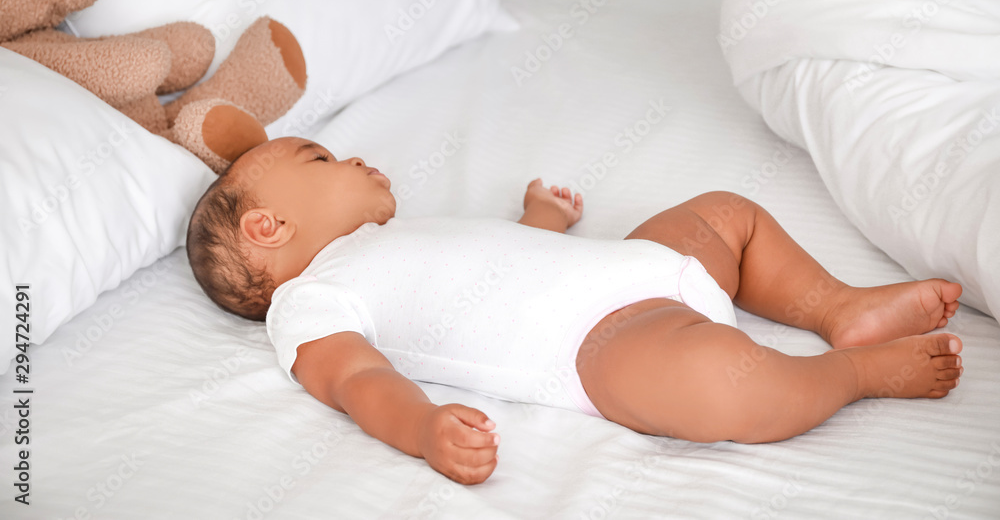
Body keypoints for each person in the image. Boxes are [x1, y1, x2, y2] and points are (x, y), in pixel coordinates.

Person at [186, 136, 963, 485]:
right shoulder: (310, 299)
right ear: (268, 228)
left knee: (727, 212)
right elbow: (355, 379)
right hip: (605, 340)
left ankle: (839, 308)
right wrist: (422, 428)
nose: (349, 156)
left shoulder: (397, 235)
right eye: (319, 159)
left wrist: (542, 220)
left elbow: (504, 263)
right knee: (726, 384)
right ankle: (852, 370)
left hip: (627, 264)